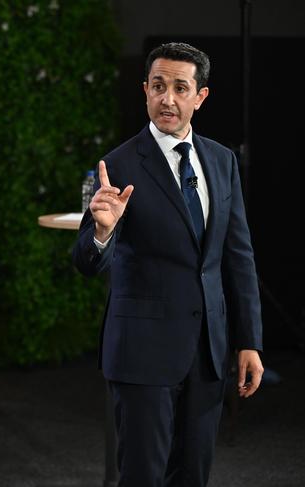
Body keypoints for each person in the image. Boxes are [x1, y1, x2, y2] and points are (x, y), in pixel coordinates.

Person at [72, 42, 264, 486]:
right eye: (158, 86)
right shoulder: (117, 165)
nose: (168, 99)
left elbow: (238, 256)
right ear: (145, 91)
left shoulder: (221, 161)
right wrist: (102, 232)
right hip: (142, 352)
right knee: (141, 476)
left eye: (181, 88)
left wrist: (248, 339)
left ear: (201, 96)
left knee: (193, 475)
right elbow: (85, 261)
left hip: (208, 353)